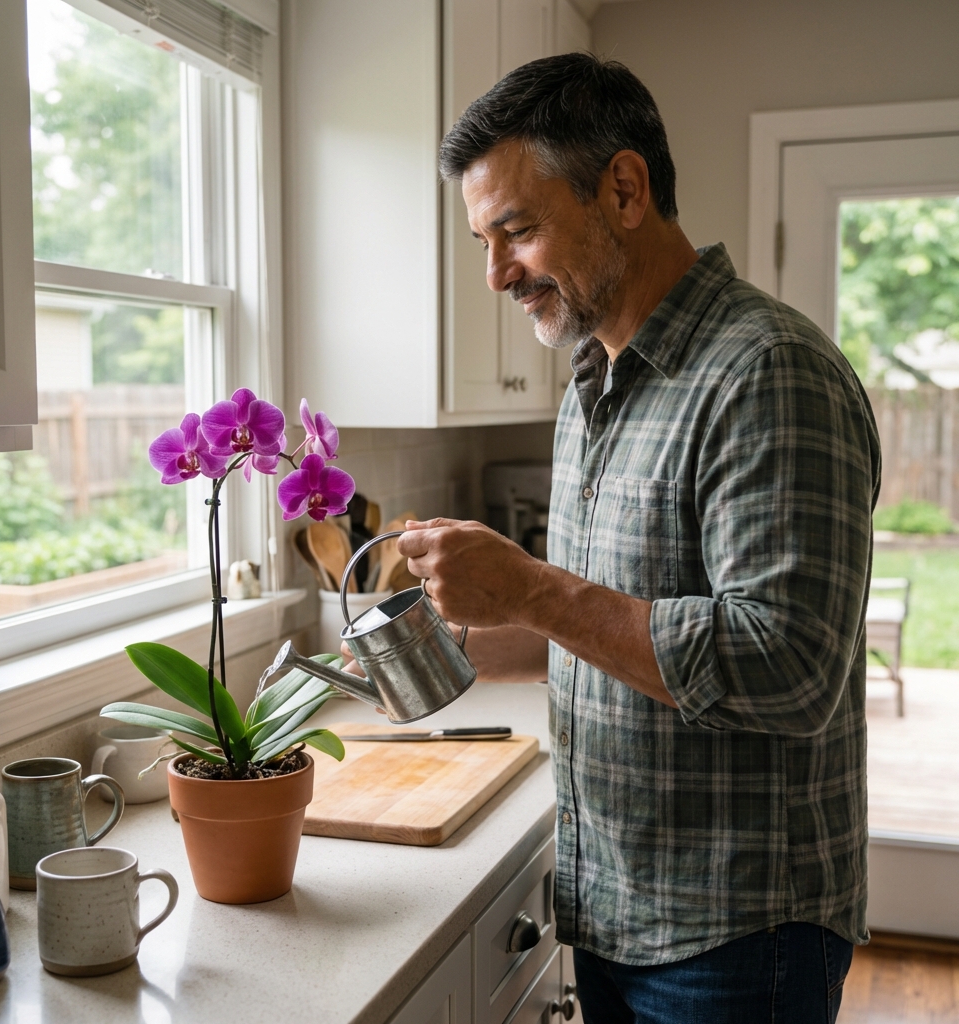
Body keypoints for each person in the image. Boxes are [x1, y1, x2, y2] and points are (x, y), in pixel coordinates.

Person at [348, 53, 880, 1022]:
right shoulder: (593, 383)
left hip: (735, 928)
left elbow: (790, 666)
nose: (496, 273)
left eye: (517, 229)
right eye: (483, 239)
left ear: (624, 190)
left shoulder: (766, 372)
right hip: (615, 901)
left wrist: (534, 591)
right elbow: (625, 619)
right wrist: (481, 623)